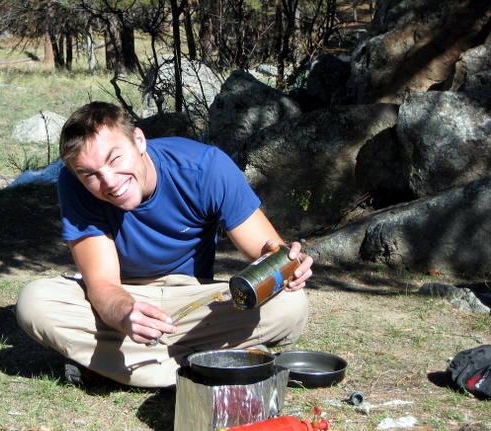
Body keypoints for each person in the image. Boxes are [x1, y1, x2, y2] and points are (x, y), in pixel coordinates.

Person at [16, 101, 313, 388]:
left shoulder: (204, 166)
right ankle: (204, 361)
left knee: (290, 305)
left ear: (139, 141)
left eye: (114, 159)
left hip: (194, 297)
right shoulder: (73, 184)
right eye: (90, 174)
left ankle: (114, 366)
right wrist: (124, 314)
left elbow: (265, 250)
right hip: (125, 295)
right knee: (35, 302)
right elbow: (102, 284)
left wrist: (289, 265)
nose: (108, 181)